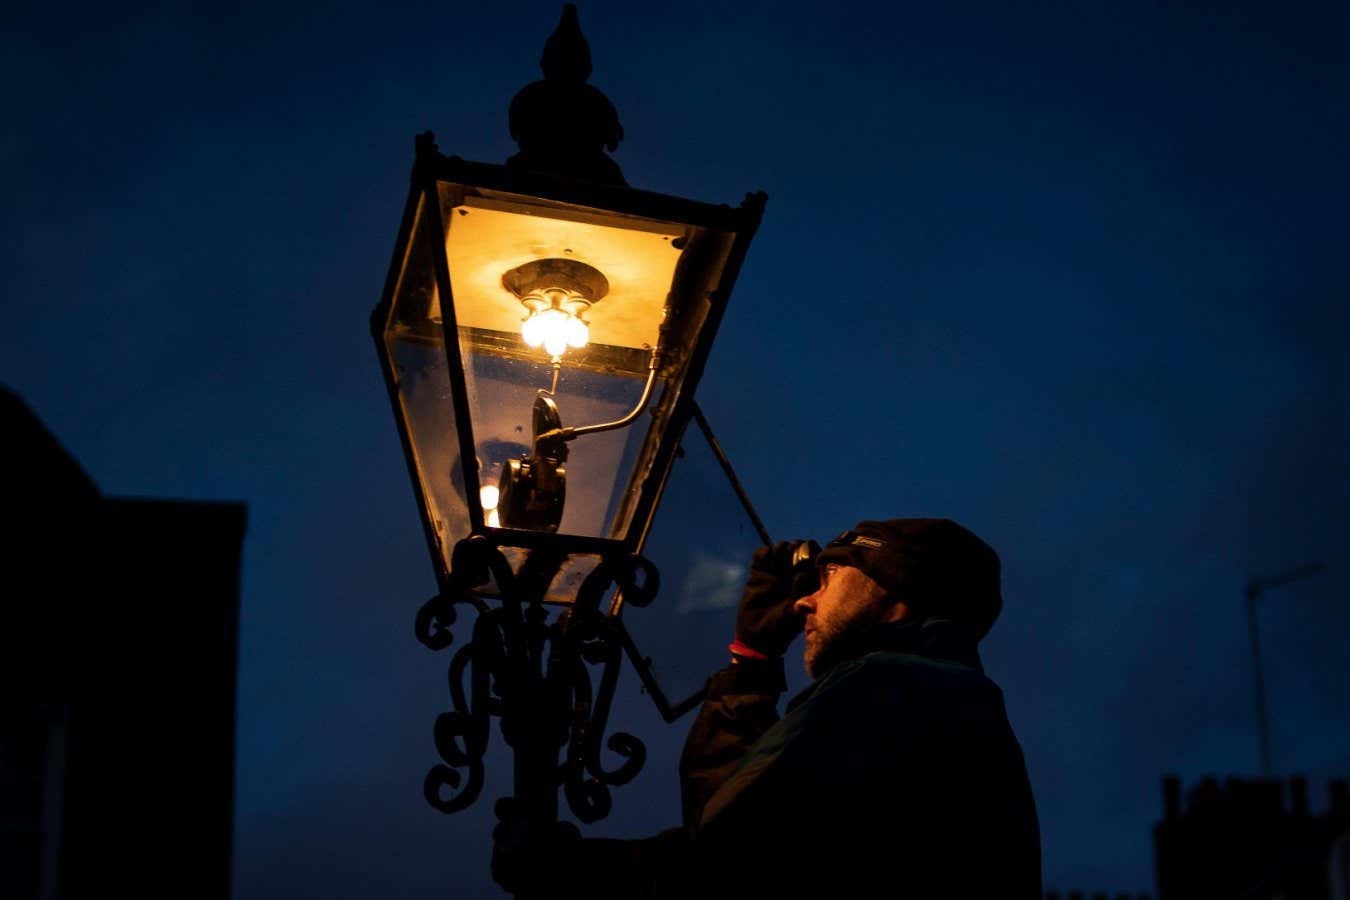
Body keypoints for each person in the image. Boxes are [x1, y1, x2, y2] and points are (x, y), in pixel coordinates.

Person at [493, 518, 1042, 898]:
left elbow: (724, 869)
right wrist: (753, 660)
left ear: (891, 589)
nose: (804, 599)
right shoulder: (941, 700)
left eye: (830, 576)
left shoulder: (890, 686)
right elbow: (737, 825)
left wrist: (557, 868)